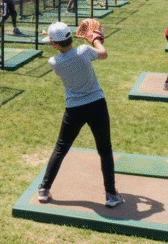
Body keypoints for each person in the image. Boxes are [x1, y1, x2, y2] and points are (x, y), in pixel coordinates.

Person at [37, 21, 123, 208]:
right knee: (105, 150)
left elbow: (70, 52)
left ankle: (44, 189)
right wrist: (96, 39)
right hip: (97, 106)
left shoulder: (54, 62)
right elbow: (103, 54)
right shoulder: (84, 50)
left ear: (55, 44)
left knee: (60, 149)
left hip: (74, 109)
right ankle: (111, 195)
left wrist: (91, 40)